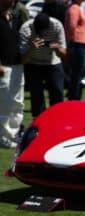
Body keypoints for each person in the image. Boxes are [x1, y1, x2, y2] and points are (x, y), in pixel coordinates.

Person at [19, 12, 67, 118]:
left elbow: (64, 54)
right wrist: (31, 48)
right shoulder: (26, 28)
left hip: (53, 62)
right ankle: (39, 121)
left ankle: (58, 118)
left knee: (57, 92)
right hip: (33, 63)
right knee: (36, 96)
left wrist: (57, 48)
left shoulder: (57, 25)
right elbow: (23, 60)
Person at [0, 0, 25, 148]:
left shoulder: (16, 17)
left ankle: (13, 134)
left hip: (17, 65)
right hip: (4, 67)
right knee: (4, 104)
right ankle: (2, 136)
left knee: (17, 103)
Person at [65, 0, 85, 100]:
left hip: (79, 44)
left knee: (78, 73)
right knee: (77, 74)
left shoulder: (76, 8)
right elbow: (71, 27)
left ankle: (75, 97)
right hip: (77, 44)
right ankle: (74, 98)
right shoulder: (74, 9)